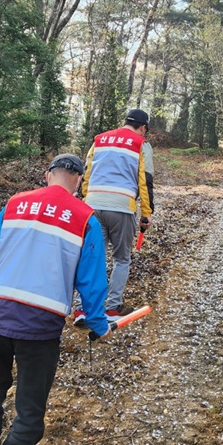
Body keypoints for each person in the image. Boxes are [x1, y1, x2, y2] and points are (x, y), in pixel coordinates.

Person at [0, 154, 109, 445]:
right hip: (39, 325)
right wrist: (97, 322)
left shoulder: (14, 204)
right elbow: (91, 280)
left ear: (48, 176)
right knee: (30, 405)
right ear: (79, 180)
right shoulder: (84, 218)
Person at [75, 108, 153, 323]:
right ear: (143, 127)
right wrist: (146, 214)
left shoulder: (99, 140)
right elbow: (144, 183)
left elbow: (87, 173)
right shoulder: (140, 145)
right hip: (122, 207)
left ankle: (82, 310)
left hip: (93, 206)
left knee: (92, 258)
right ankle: (111, 308)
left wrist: (85, 201)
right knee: (121, 259)